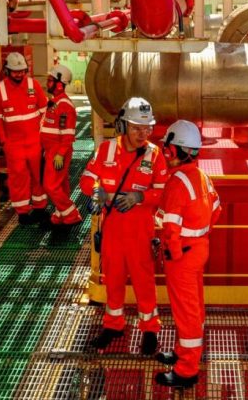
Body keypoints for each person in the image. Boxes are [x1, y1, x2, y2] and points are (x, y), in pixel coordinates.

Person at [80, 97, 168, 355]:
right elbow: (87, 177)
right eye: (137, 128)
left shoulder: (154, 154)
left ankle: (150, 329)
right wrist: (97, 192)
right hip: (113, 231)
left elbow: (163, 191)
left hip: (140, 231)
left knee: (144, 282)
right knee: (113, 279)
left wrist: (141, 197)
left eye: (147, 128)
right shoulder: (105, 150)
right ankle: (113, 324)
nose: (143, 134)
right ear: (122, 126)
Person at [154, 120, 221, 388]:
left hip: (181, 256)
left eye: (168, 148)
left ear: (177, 150)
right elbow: (217, 210)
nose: (165, 153)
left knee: (186, 311)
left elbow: (169, 227)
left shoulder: (176, 184)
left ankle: (186, 370)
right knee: (194, 306)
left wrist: (172, 252)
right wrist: (198, 234)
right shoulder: (202, 177)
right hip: (198, 249)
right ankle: (184, 352)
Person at [0, 52, 49, 225]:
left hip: (35, 142)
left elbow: (45, 111)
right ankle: (23, 213)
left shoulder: (34, 85)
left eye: (22, 71)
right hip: (14, 145)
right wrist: (4, 141)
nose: (19, 74)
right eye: (15, 71)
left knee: (38, 176)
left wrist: (43, 137)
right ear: (7, 71)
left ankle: (40, 208)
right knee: (18, 178)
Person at [40, 64, 82, 226]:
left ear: (59, 84)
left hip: (57, 152)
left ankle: (71, 214)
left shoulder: (64, 105)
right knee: (60, 184)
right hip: (51, 150)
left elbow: (68, 134)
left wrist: (60, 153)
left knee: (50, 185)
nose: (47, 83)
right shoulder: (55, 102)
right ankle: (60, 214)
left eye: (50, 80)